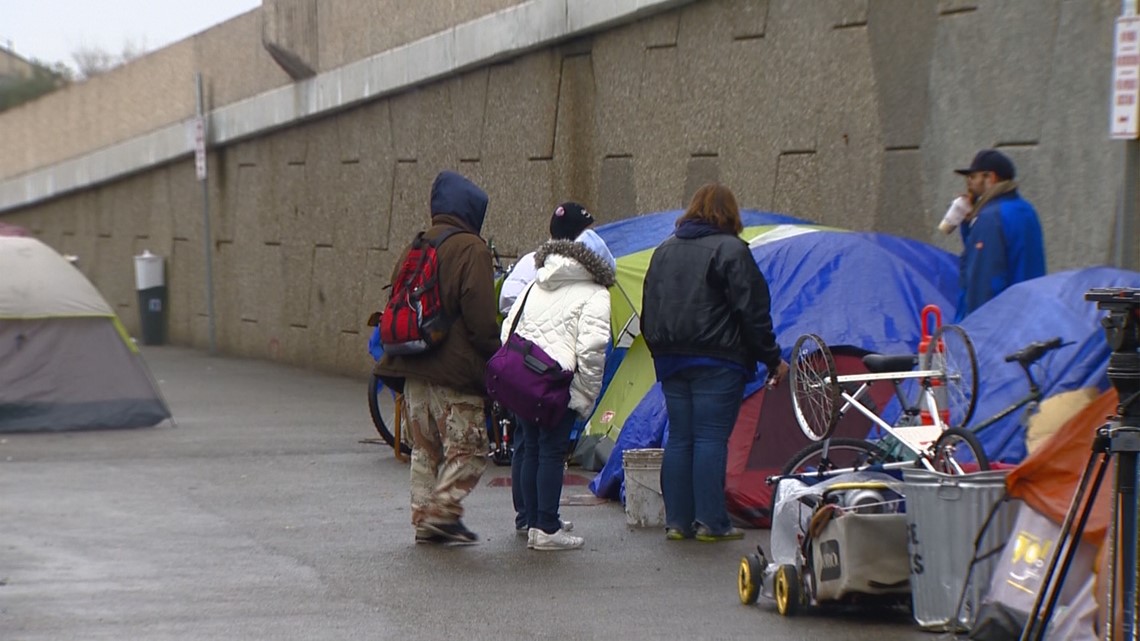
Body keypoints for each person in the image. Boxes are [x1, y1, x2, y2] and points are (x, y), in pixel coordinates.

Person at [641, 183, 788, 542]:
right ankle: (712, 522)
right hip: (718, 359)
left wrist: (660, 351)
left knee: (679, 437)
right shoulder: (732, 250)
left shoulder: (663, 250)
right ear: (730, 214)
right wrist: (772, 359)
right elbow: (752, 312)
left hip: (671, 359)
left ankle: (678, 522)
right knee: (709, 438)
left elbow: (648, 310)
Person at [376, 170, 501, 545]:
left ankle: (422, 517)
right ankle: (441, 514)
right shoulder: (471, 248)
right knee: (469, 450)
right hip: (454, 373)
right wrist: (495, 357)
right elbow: (480, 318)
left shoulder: (416, 244)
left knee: (425, 450)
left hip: (412, 366)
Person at [500, 227, 614, 551]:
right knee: (551, 452)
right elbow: (592, 351)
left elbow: (508, 327)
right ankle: (546, 527)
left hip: (524, 380)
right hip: (557, 383)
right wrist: (584, 398)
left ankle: (533, 520)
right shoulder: (595, 294)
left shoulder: (539, 280)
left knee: (532, 449)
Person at [951, 149, 1046, 322]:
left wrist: (972, 328)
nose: (969, 184)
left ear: (990, 178)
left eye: (973, 177)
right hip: (1027, 316)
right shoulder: (1025, 210)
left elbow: (983, 279)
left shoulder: (990, 218)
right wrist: (968, 225)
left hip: (999, 324)